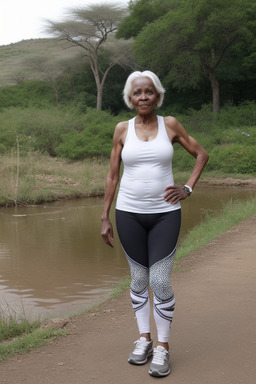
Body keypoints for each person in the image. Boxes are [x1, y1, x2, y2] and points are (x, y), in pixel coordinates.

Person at [101, 70, 209, 377]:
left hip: (165, 214)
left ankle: (163, 347)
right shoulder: (122, 129)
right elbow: (112, 176)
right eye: (138, 93)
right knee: (138, 279)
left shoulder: (170, 125)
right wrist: (105, 216)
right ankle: (144, 339)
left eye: (149, 92)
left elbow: (201, 154)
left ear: (157, 95)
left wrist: (187, 187)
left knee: (159, 280)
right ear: (130, 98)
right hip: (128, 213)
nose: (143, 97)